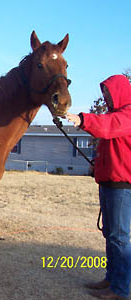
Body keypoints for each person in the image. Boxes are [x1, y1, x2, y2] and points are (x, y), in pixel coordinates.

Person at [66, 74, 131, 300]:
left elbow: (107, 127)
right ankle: (111, 279)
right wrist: (98, 164)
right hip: (109, 182)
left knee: (119, 237)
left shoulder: (128, 115)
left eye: (108, 94)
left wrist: (82, 119)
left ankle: (120, 289)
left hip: (122, 185)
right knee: (110, 235)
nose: (106, 98)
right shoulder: (115, 115)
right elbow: (109, 145)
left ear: (120, 92)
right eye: (104, 94)